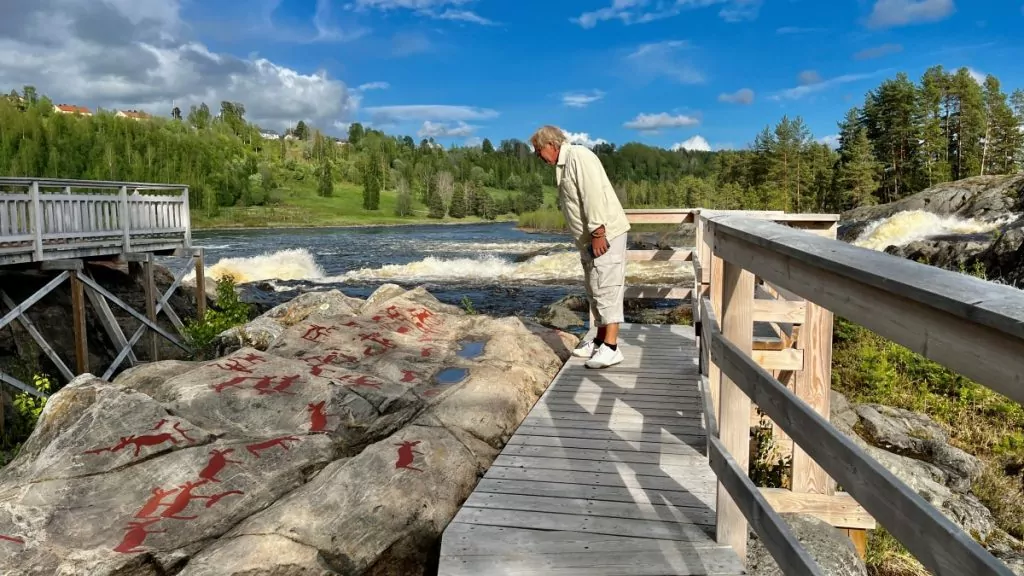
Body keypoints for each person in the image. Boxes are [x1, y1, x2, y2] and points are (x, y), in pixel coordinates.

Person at [531, 125, 631, 369]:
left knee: (607, 285)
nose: (538, 156)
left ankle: (611, 347)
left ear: (550, 145)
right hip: (591, 238)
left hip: (605, 234)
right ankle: (598, 340)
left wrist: (598, 232)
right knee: (594, 287)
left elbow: (592, 195)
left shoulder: (579, 156)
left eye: (538, 150)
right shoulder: (564, 163)